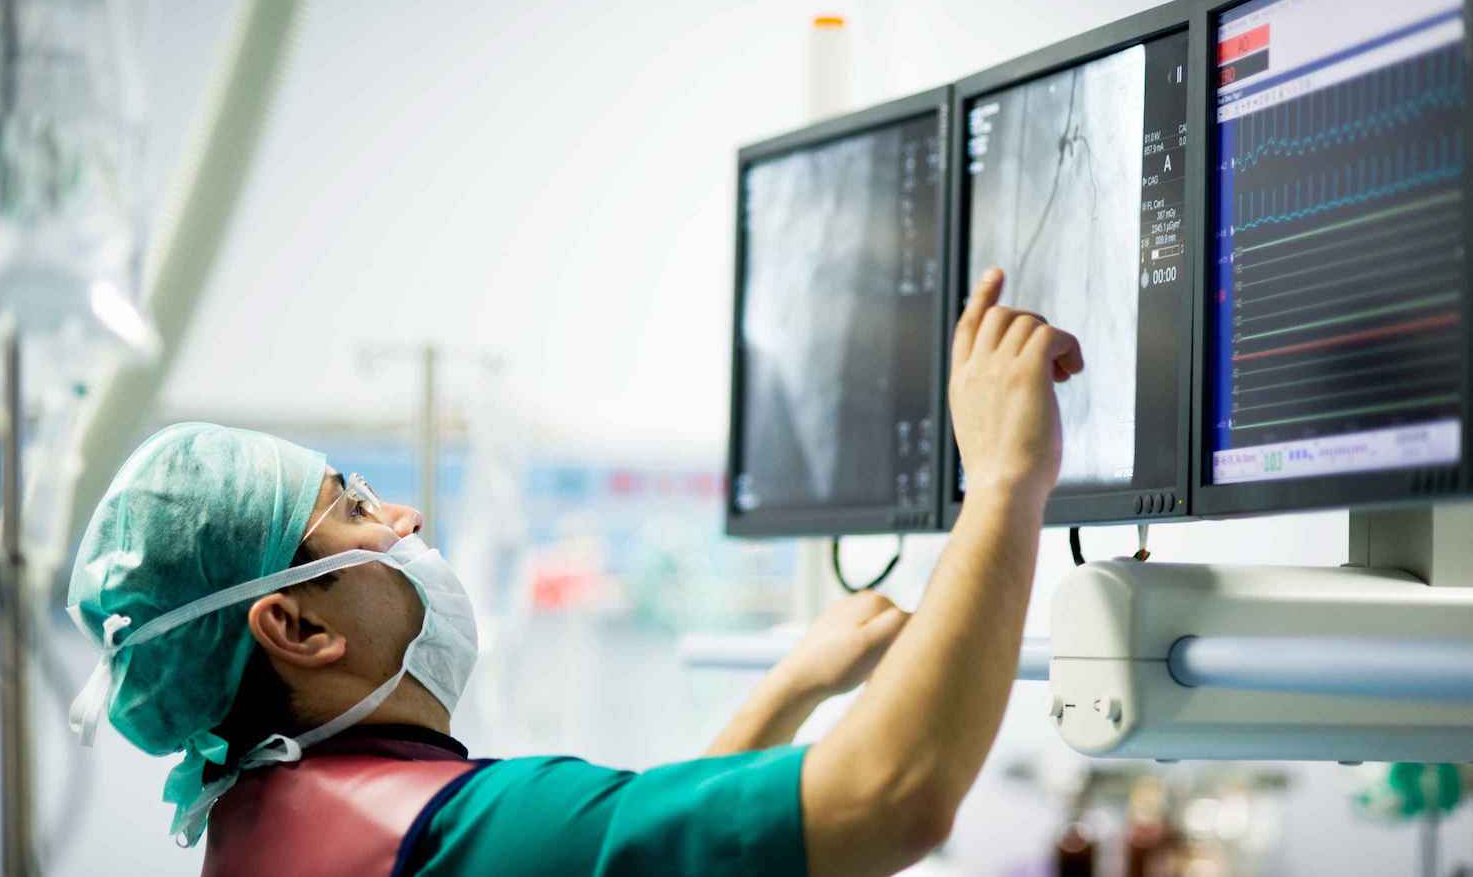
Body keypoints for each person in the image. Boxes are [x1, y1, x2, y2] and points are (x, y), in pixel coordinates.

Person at [66, 266, 1081, 876]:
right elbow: (894, 796)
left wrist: (795, 682)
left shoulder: (267, 812)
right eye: (359, 511)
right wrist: (1003, 479)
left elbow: (641, 845)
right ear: (294, 628)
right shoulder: (459, 833)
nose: (408, 516)